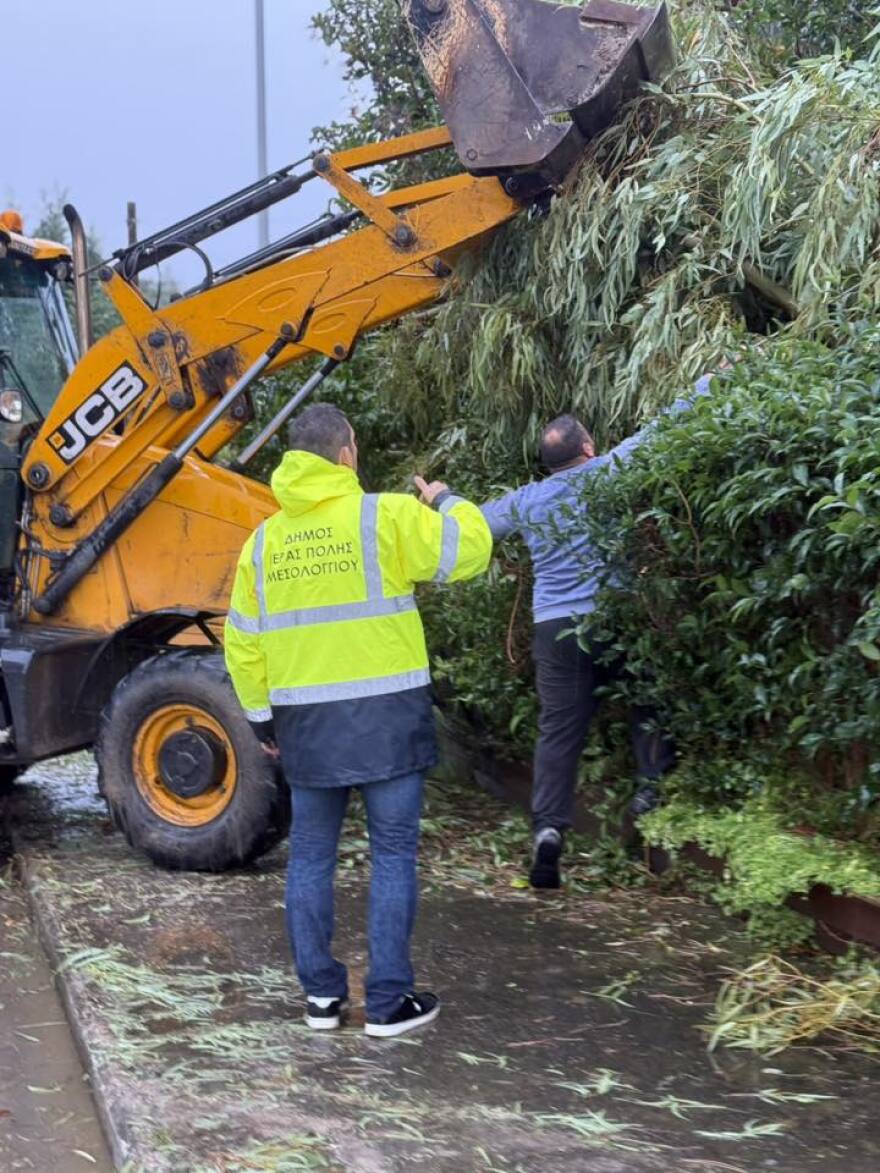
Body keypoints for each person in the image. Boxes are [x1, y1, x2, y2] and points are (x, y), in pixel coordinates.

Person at [225, 403, 492, 1037]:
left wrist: (264, 723)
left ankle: (321, 999)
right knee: (393, 854)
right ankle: (389, 1003)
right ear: (346, 454)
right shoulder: (387, 516)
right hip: (387, 721)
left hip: (307, 727)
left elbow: (242, 642)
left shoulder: (262, 544)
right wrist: (447, 499)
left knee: (312, 856)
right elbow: (470, 549)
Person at [480, 382, 711, 889]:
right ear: (588, 448)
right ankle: (649, 794)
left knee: (560, 733)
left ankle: (548, 834)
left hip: (556, 628)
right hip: (616, 615)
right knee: (647, 701)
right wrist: (712, 379)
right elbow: (666, 427)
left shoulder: (527, 500)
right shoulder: (611, 469)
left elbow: (474, 525)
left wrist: (440, 496)